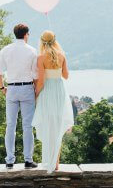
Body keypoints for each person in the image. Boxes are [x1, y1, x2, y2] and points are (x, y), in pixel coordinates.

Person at [0, 23, 38, 169]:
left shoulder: (5, 50)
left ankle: (9, 160)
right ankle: (28, 160)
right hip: (27, 88)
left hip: (12, 89)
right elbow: (35, 75)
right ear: (26, 34)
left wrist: (2, 88)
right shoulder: (32, 51)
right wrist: (37, 92)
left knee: (10, 126)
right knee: (27, 126)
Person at [32, 30, 74, 173]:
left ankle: (48, 161)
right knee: (57, 126)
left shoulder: (41, 58)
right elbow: (66, 76)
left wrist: (36, 95)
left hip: (47, 92)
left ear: (42, 41)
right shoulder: (62, 56)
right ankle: (56, 163)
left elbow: (41, 81)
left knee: (48, 125)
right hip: (59, 92)